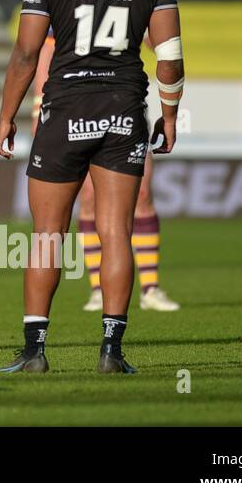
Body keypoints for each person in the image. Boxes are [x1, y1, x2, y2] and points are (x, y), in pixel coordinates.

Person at [0, 0, 184, 375]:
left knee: (46, 236)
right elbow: (169, 59)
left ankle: (35, 352)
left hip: (64, 110)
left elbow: (26, 54)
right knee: (116, 231)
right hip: (124, 109)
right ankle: (111, 352)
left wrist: (6, 116)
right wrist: (169, 115)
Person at [32, 33, 180, 312]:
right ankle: (99, 289)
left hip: (122, 99)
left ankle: (150, 288)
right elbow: (44, 48)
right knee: (88, 197)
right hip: (76, 102)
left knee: (143, 192)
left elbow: (160, 41)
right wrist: (38, 107)